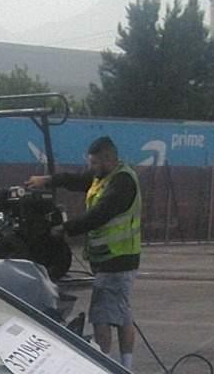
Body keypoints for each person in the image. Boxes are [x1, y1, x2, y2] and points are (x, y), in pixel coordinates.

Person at [27, 136, 141, 362]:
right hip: (114, 259)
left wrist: (65, 229)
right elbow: (77, 180)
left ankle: (108, 368)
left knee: (102, 317)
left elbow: (100, 214)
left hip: (116, 260)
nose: (92, 168)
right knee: (123, 315)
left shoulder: (121, 182)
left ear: (109, 159)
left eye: (95, 163)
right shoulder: (105, 176)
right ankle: (126, 367)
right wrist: (47, 180)